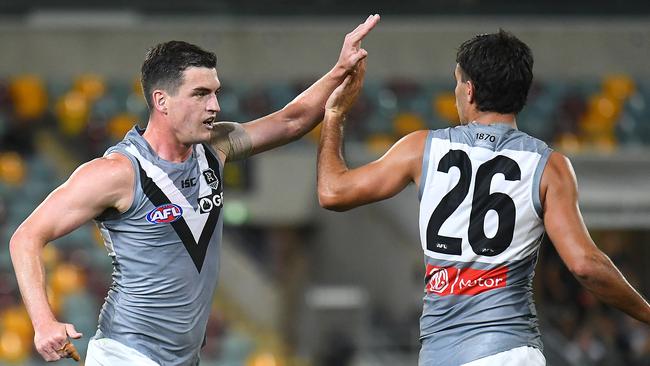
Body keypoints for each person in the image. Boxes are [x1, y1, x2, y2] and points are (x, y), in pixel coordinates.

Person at [10, 14, 380, 365]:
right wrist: (43, 323)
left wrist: (339, 71)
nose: (215, 106)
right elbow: (25, 236)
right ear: (161, 101)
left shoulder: (215, 148)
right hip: (127, 352)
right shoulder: (118, 173)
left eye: (215, 93)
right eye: (201, 94)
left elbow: (292, 120)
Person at [317, 30, 650, 365]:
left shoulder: (421, 149)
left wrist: (334, 114)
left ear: (470, 90)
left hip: (440, 354)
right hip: (511, 352)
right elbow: (586, 266)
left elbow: (332, 191)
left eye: (457, 83)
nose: (456, 92)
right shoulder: (550, 167)